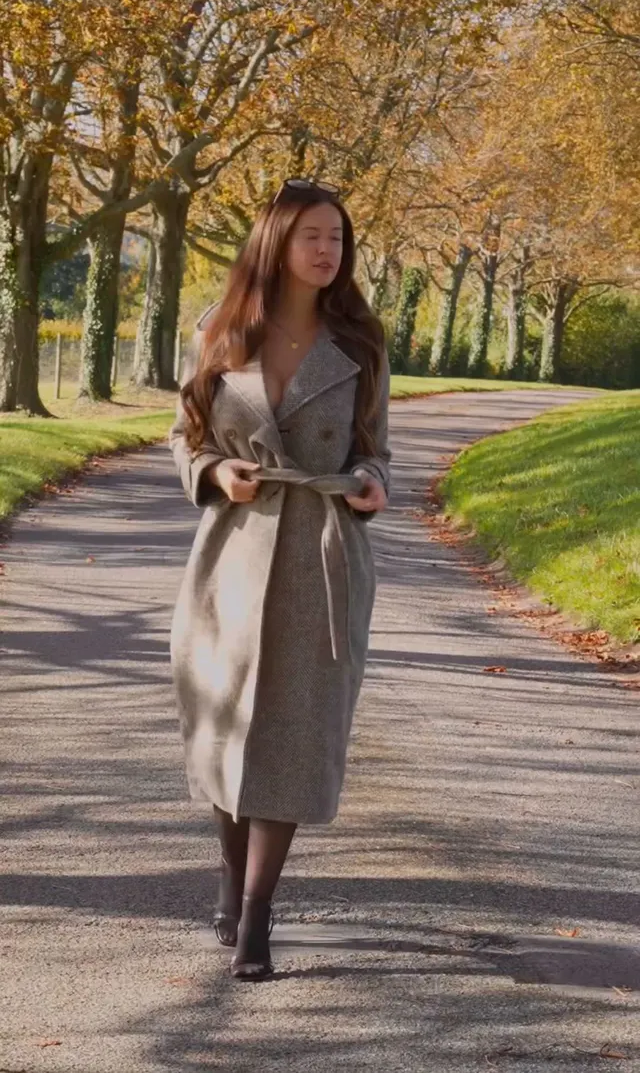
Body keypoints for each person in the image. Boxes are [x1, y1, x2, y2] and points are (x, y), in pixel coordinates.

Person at [168, 178, 391, 981]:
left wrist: (371, 482)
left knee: (294, 735)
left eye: (337, 237)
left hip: (321, 563)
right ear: (276, 242)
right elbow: (186, 437)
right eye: (311, 236)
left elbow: (375, 450)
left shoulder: (360, 342)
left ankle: (258, 914)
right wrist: (215, 471)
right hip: (232, 557)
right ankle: (232, 880)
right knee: (228, 726)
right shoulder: (220, 331)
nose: (328, 250)